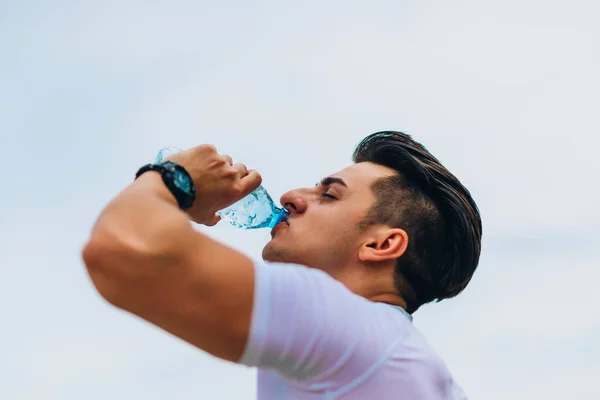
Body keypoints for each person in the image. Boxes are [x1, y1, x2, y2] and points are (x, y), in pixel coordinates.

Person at [82, 131, 482, 399]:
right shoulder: (392, 350)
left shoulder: (348, 326)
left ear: (381, 244)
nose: (290, 195)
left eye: (329, 195)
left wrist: (176, 180)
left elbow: (120, 252)